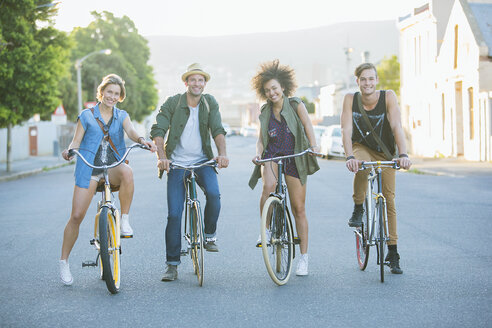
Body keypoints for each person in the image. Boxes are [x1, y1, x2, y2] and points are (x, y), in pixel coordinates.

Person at [59, 74, 156, 285]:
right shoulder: (86, 115)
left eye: (116, 93)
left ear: (120, 97)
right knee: (76, 216)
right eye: (109, 92)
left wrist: (141, 140)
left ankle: (124, 221)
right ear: (101, 92)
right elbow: (76, 141)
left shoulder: (122, 116)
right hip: (90, 168)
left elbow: (131, 131)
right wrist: (69, 151)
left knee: (128, 172)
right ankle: (64, 262)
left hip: (112, 166)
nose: (112, 96)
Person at [150, 63, 229, 282]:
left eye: (201, 80)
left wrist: (222, 154)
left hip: (203, 161)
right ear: (186, 83)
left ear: (205, 83)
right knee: (174, 214)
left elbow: (218, 130)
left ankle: (209, 236)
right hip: (176, 164)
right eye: (193, 80)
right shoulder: (173, 102)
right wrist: (162, 157)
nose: (197, 83)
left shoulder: (209, 102)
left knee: (214, 195)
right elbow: (158, 130)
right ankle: (172, 264)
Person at [249, 59, 320, 276]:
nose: (272, 93)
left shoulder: (296, 104)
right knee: (268, 187)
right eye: (267, 90)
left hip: (295, 157)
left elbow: (308, 125)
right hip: (272, 156)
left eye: (275, 88)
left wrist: (314, 145)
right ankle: (267, 229)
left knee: (299, 208)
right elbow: (261, 139)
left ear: (283, 88)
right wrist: (259, 153)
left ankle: (304, 259)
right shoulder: (265, 111)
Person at [340, 62, 412, 274]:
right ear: (358, 82)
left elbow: (397, 126)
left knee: (389, 199)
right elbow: (346, 129)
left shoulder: (388, 96)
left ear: (377, 80)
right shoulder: (350, 99)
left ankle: (393, 251)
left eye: (371, 78)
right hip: (360, 147)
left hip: (385, 151)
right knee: (362, 167)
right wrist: (349, 156)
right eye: (363, 79)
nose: (368, 83)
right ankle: (358, 207)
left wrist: (403, 154)